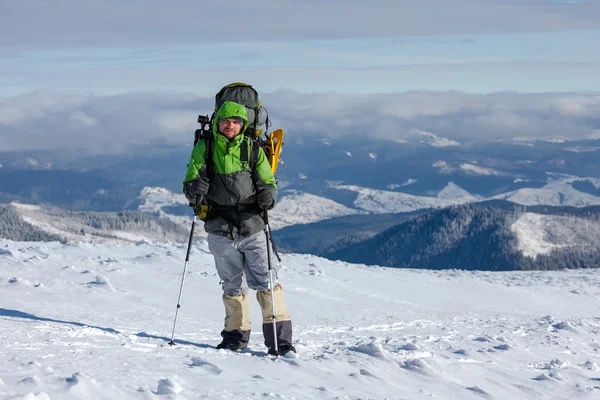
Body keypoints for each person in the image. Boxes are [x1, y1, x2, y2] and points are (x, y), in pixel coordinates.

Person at [182, 100, 295, 356]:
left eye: (235, 122)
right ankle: (235, 338)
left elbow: (267, 181)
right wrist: (193, 189)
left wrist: (268, 194)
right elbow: (190, 180)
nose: (230, 126)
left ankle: (280, 343)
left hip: (252, 225)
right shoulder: (205, 147)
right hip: (220, 228)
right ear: (217, 123)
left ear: (243, 125)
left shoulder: (253, 149)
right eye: (225, 121)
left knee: (268, 281)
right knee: (232, 285)